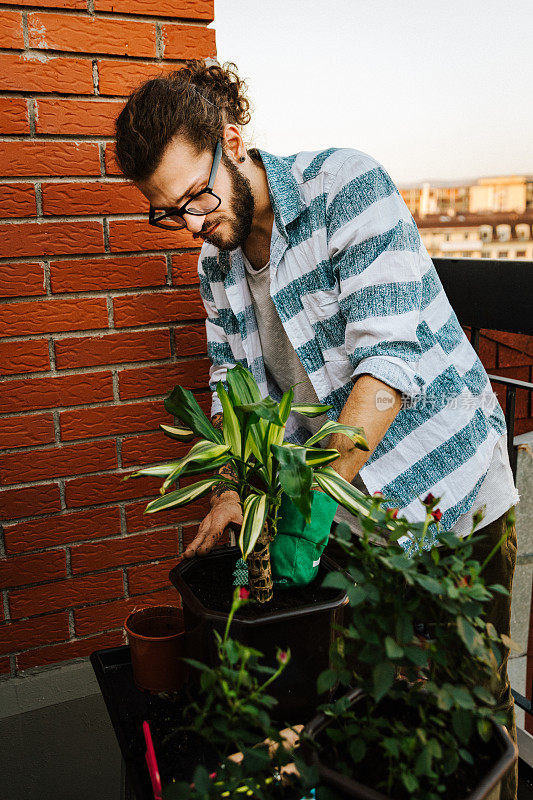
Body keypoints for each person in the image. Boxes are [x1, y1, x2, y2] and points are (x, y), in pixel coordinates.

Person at [114, 58, 520, 799]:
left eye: (198, 197)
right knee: (384, 703)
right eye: (170, 213)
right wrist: (239, 490)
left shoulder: (347, 187)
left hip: (447, 495)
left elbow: (388, 361)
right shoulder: (217, 265)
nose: (195, 226)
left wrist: (308, 499)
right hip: (349, 523)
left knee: (474, 720)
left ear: (232, 141)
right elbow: (231, 388)